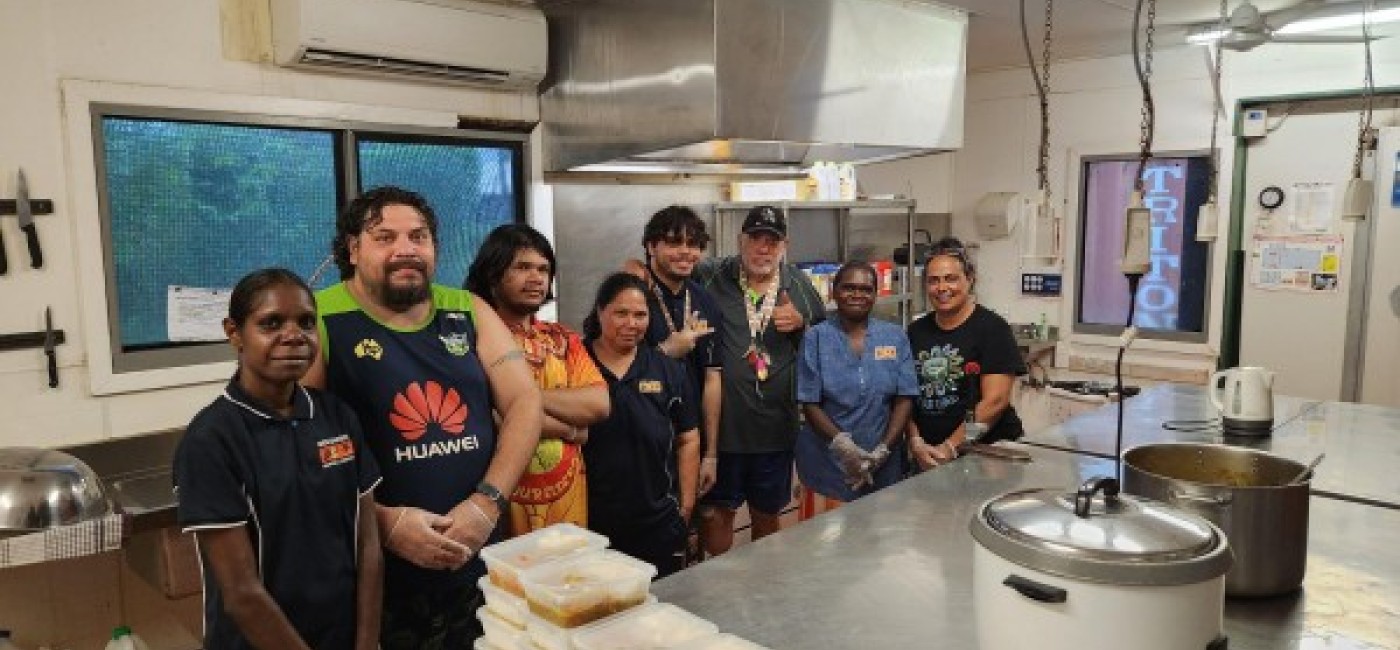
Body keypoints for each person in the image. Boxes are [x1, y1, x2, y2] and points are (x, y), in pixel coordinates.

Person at [304, 186, 541, 648]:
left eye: (418, 236)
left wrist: (486, 503)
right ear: (353, 249)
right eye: (385, 237)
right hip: (375, 573)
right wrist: (383, 523)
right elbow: (298, 449)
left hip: (479, 555)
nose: (405, 249)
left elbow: (525, 403)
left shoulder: (467, 309)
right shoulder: (318, 318)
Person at [174, 268, 382, 650]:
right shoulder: (211, 441)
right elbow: (241, 593)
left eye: (306, 322)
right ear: (234, 333)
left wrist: (367, 642)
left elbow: (368, 545)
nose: (294, 336)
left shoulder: (337, 416)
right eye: (271, 323)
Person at [691, 205, 825, 555]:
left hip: (775, 430)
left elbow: (826, 343)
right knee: (718, 515)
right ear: (741, 240)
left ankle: (759, 589)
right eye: (756, 239)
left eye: (772, 241)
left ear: (784, 246)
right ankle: (718, 588)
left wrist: (801, 325)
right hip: (722, 430)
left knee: (766, 514)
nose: (763, 249)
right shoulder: (713, 274)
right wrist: (637, 269)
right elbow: (666, 270)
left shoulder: (800, 285)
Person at [465, 224, 609, 535]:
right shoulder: (472, 339)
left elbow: (598, 404)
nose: (537, 278)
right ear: (493, 274)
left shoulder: (562, 338)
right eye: (523, 267)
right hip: (498, 504)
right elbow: (486, 416)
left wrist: (518, 400)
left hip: (567, 507)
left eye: (544, 269)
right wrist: (572, 428)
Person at [581, 273, 701, 577]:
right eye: (621, 313)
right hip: (588, 523)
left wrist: (685, 508)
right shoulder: (574, 363)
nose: (631, 323)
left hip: (657, 523)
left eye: (640, 315)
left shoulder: (667, 369)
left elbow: (688, 438)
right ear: (600, 311)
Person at [795, 262, 917, 504]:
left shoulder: (894, 336)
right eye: (848, 288)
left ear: (875, 294)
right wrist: (843, 446)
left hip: (883, 465)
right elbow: (809, 402)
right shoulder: (816, 338)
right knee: (825, 538)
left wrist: (882, 451)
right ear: (834, 291)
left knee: (880, 536)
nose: (857, 295)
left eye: (865, 289)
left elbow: (905, 397)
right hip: (827, 466)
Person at [906, 237, 1026, 471]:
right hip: (929, 456)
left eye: (951, 279)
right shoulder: (915, 332)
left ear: (969, 280)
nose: (942, 288)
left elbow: (995, 401)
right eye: (933, 281)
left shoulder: (992, 328)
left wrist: (951, 447)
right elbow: (904, 397)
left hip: (987, 453)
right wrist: (915, 441)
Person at [635, 206, 724, 495]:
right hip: (637, 440)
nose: (686, 252)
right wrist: (664, 351)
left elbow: (712, 379)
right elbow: (610, 372)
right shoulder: (632, 296)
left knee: (688, 524)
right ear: (651, 246)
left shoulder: (705, 301)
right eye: (674, 243)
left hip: (689, 441)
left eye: (694, 244)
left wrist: (710, 454)